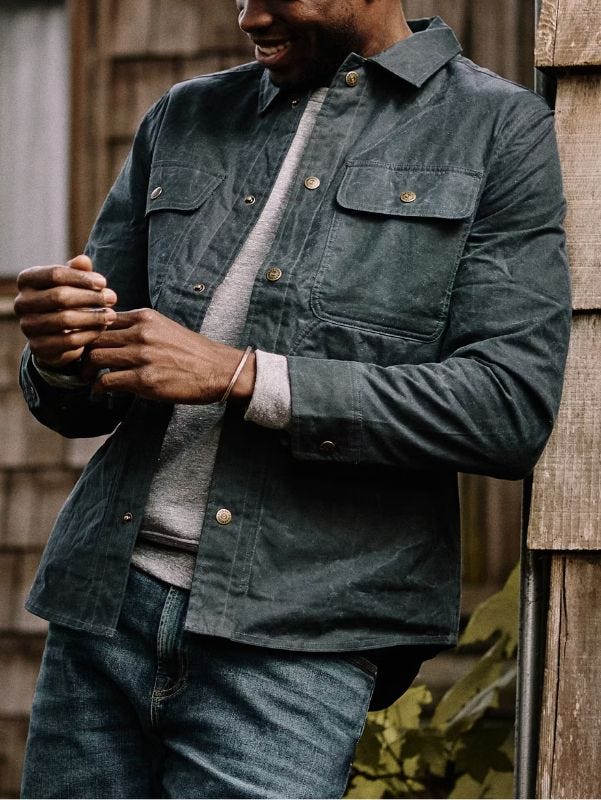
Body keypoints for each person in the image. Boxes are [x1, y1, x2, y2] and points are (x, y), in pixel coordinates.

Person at [15, 0, 570, 797]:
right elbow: (94, 386)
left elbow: (504, 407)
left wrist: (243, 375)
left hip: (293, 645)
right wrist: (61, 353)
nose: (249, 16)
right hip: (102, 615)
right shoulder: (185, 115)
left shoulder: (496, 130)